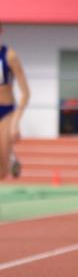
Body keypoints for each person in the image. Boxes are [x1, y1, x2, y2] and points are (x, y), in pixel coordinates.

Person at [0, 23, 30, 179]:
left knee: (2, 171)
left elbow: (26, 93)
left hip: (5, 112)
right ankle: (11, 156)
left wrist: (15, 122)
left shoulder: (10, 56)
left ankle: (10, 158)